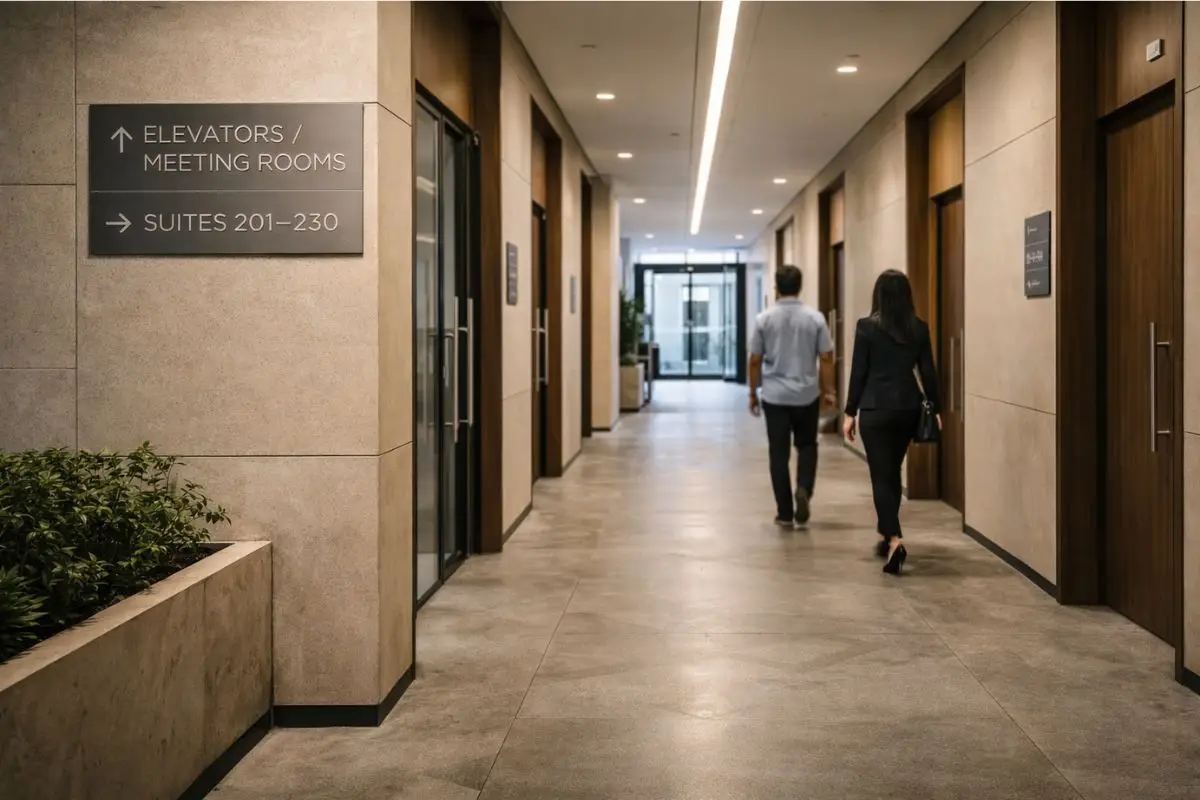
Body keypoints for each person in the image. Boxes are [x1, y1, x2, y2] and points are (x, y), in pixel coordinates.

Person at [842, 269, 942, 575]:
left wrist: (849, 412)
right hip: (907, 409)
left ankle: (895, 538)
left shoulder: (866, 328)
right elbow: (928, 372)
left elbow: (859, 372)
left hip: (875, 410)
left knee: (880, 475)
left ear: (879, 296)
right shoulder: (919, 329)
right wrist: (935, 408)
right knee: (892, 471)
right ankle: (887, 535)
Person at [748, 265, 836, 529]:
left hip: (774, 396)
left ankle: (785, 512)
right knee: (807, 445)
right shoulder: (815, 318)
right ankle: (804, 489)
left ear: (776, 287)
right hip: (806, 395)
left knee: (779, 454)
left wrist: (753, 393)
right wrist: (829, 390)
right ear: (800, 286)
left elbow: (754, 360)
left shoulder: (764, 319)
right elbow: (826, 357)